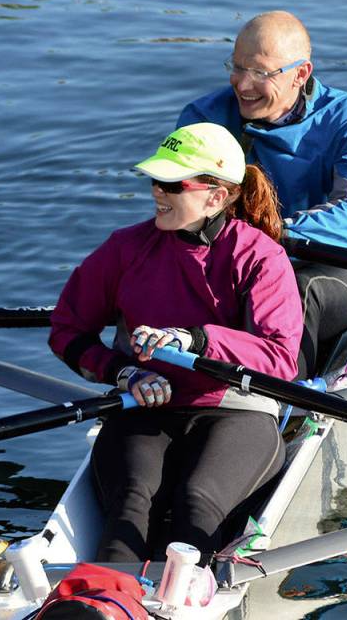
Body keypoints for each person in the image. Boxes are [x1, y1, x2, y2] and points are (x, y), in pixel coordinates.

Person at [48, 122, 302, 563]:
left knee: (195, 501)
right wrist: (123, 372)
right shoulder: (125, 249)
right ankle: (103, 600)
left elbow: (280, 360)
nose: (157, 193)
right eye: (155, 180)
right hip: (144, 404)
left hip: (235, 409)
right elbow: (67, 331)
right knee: (130, 504)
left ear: (216, 196)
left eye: (171, 183)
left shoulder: (260, 256)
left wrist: (196, 340)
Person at [178, 11, 347, 379]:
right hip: (228, 260)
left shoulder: (345, 118)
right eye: (237, 67)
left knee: (294, 291)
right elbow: (183, 204)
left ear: (301, 74)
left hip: (317, 264)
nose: (242, 85)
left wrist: (276, 234)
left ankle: (284, 407)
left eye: (260, 73)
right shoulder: (204, 118)